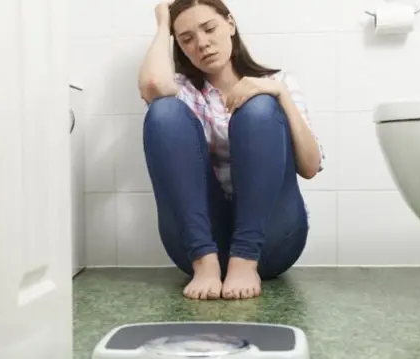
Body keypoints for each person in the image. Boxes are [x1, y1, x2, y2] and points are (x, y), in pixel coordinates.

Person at [137, 0, 325, 300]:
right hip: (198, 243)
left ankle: (245, 260)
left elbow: (310, 167)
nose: (202, 43)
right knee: (164, 112)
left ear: (231, 24)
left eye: (209, 29)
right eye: (186, 39)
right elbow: (153, 83)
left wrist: (280, 95)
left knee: (260, 108)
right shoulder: (183, 91)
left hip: (270, 240)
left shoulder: (277, 82)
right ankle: (205, 263)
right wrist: (162, 24)